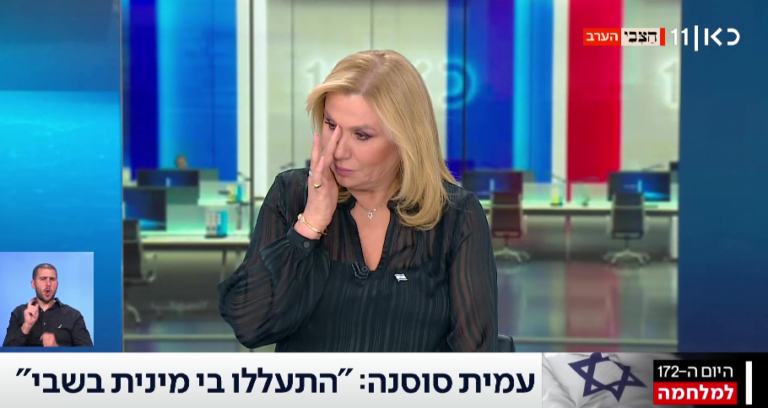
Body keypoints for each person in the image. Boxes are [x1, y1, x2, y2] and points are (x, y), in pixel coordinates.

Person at [218, 49, 498, 352]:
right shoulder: (291, 194)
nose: (338, 150)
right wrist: (309, 226)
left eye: (361, 135)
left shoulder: (456, 215)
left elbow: (476, 357)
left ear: (405, 140)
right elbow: (250, 327)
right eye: (331, 125)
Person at [2, 263, 93, 347]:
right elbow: (5, 354)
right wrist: (26, 326)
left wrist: (56, 348)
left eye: (52, 279)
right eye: (43, 279)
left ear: (57, 284)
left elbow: (88, 355)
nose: (48, 284)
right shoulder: (19, 312)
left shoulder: (73, 315)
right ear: (33, 284)